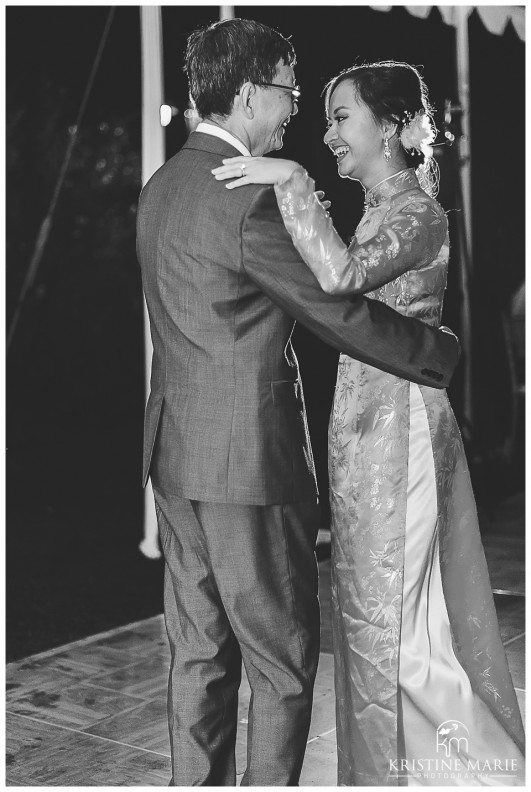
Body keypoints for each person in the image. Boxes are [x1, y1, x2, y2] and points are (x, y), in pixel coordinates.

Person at [136, 20, 460, 786]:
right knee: (279, 661)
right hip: (248, 461)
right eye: (285, 90)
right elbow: (335, 310)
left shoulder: (161, 186)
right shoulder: (246, 198)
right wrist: (437, 354)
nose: (292, 112)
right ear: (248, 94)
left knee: (197, 652)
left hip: (175, 452)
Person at [212, 61, 525, 785]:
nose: (327, 134)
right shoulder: (380, 208)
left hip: (401, 431)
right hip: (366, 428)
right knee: (364, 609)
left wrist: (291, 184)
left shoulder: (414, 213)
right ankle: (384, 773)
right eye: (322, 118)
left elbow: (343, 282)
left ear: (387, 127)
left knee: (394, 616)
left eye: (340, 117)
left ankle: (469, 772)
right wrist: (304, 206)